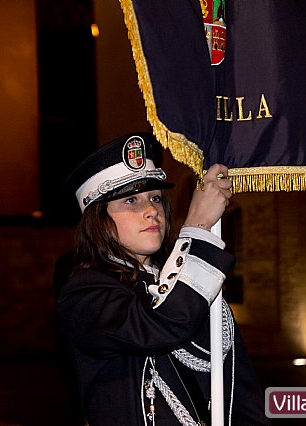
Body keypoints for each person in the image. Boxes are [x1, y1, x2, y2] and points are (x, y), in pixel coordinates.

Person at [56, 132, 269, 425]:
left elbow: (240, 386)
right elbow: (158, 324)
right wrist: (197, 228)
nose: (151, 211)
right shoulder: (83, 294)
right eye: (130, 200)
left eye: (155, 198)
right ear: (99, 219)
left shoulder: (190, 282)